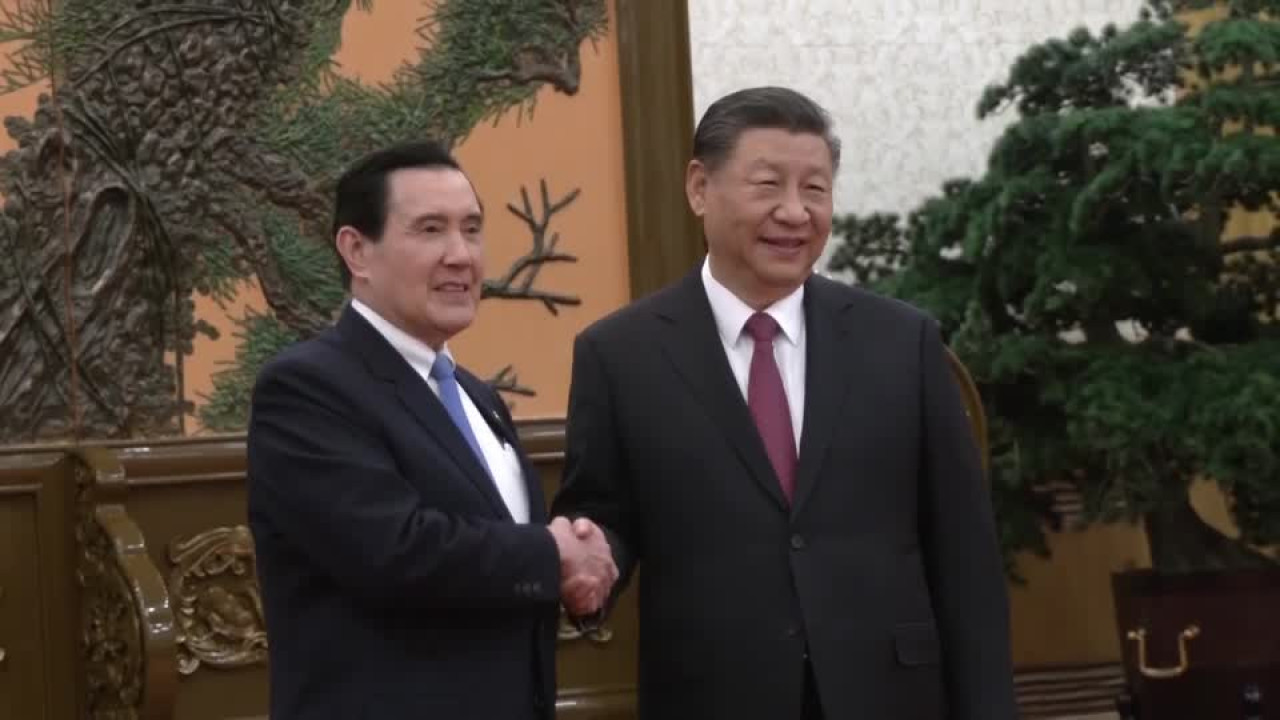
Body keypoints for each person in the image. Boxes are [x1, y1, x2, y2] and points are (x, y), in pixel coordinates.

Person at [551, 87, 1017, 719]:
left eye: (816, 190)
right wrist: (590, 563)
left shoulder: (901, 342)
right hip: (713, 695)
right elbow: (604, 516)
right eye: (767, 185)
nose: (795, 213)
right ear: (698, 188)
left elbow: (964, 555)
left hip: (889, 694)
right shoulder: (620, 354)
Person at [246, 141, 616, 720]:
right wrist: (553, 553)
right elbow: (395, 550)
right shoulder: (306, 388)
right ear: (356, 251)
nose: (461, 255)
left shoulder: (476, 395)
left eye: (472, 229)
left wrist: (580, 571)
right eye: (430, 230)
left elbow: (498, 557)